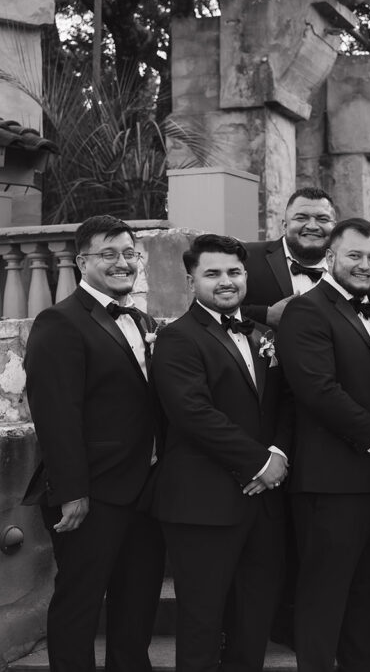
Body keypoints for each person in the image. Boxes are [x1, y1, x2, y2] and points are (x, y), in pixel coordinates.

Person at [22, 215, 165, 672]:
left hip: (146, 490)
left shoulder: (143, 320)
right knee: (80, 602)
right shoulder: (59, 321)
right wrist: (71, 491)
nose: (122, 262)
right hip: (91, 492)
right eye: (109, 253)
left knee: (137, 600)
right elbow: (56, 413)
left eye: (129, 253)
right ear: (82, 261)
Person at [150, 234, 292, 672]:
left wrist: (280, 453)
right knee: (201, 620)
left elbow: (284, 403)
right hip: (202, 502)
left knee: (254, 616)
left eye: (233, 272)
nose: (225, 281)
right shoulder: (177, 338)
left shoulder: (265, 335)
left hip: (264, 503)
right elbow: (192, 413)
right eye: (212, 273)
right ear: (191, 279)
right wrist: (260, 462)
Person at [276, 218, 370, 672]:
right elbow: (318, 391)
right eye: (354, 255)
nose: (365, 265)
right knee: (323, 601)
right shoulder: (307, 310)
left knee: (369, 599)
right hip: (330, 484)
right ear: (330, 258)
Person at [242, 187, 337, 327]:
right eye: (301, 218)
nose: (312, 226)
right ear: (285, 225)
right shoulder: (247, 257)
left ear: (335, 227)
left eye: (322, 219)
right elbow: (210, 309)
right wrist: (266, 315)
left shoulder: (347, 267)